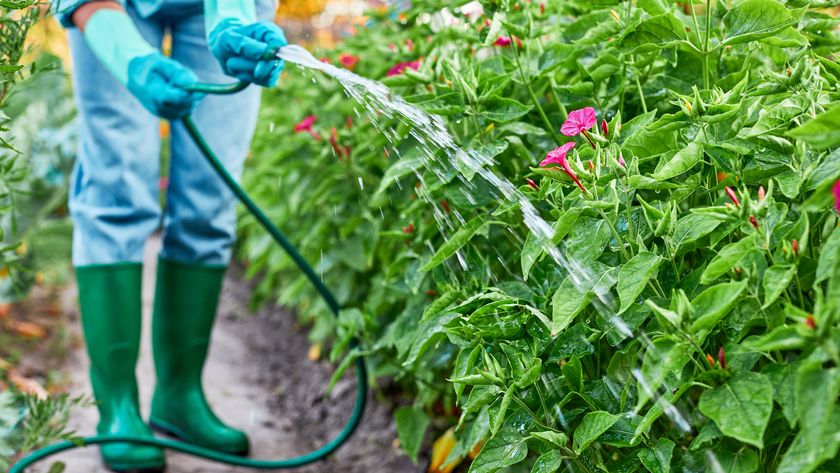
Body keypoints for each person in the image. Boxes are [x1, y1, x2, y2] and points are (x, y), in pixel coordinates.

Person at [54, 0, 286, 470]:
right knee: (116, 192)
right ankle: (117, 409)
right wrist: (129, 59)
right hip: (111, 9)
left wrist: (234, 20)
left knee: (210, 198)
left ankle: (180, 397)